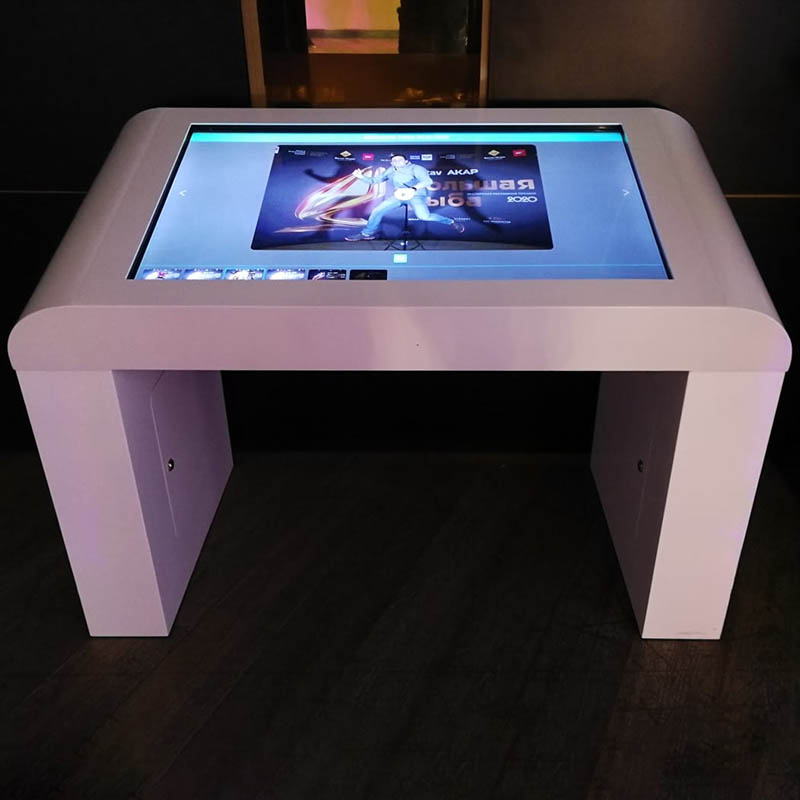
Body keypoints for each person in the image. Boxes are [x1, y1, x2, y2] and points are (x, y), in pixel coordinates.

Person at [345, 153, 465, 240]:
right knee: (377, 210)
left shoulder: (416, 168)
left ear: (406, 161)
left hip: (416, 195)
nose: (396, 162)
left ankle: (450, 221)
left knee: (424, 216)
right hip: (399, 196)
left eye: (399, 160)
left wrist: (413, 188)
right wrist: (360, 177)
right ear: (391, 163)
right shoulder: (391, 170)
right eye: (394, 160)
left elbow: (427, 181)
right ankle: (367, 234)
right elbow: (375, 180)